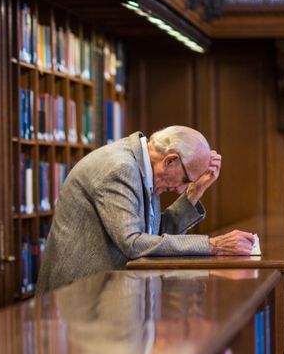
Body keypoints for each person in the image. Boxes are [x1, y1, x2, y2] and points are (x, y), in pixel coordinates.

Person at [35, 126, 256, 294]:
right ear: (170, 161)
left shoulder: (145, 166)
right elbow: (133, 243)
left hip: (106, 294)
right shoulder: (120, 168)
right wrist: (212, 245)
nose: (180, 188)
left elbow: (154, 237)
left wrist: (195, 191)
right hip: (76, 300)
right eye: (185, 179)